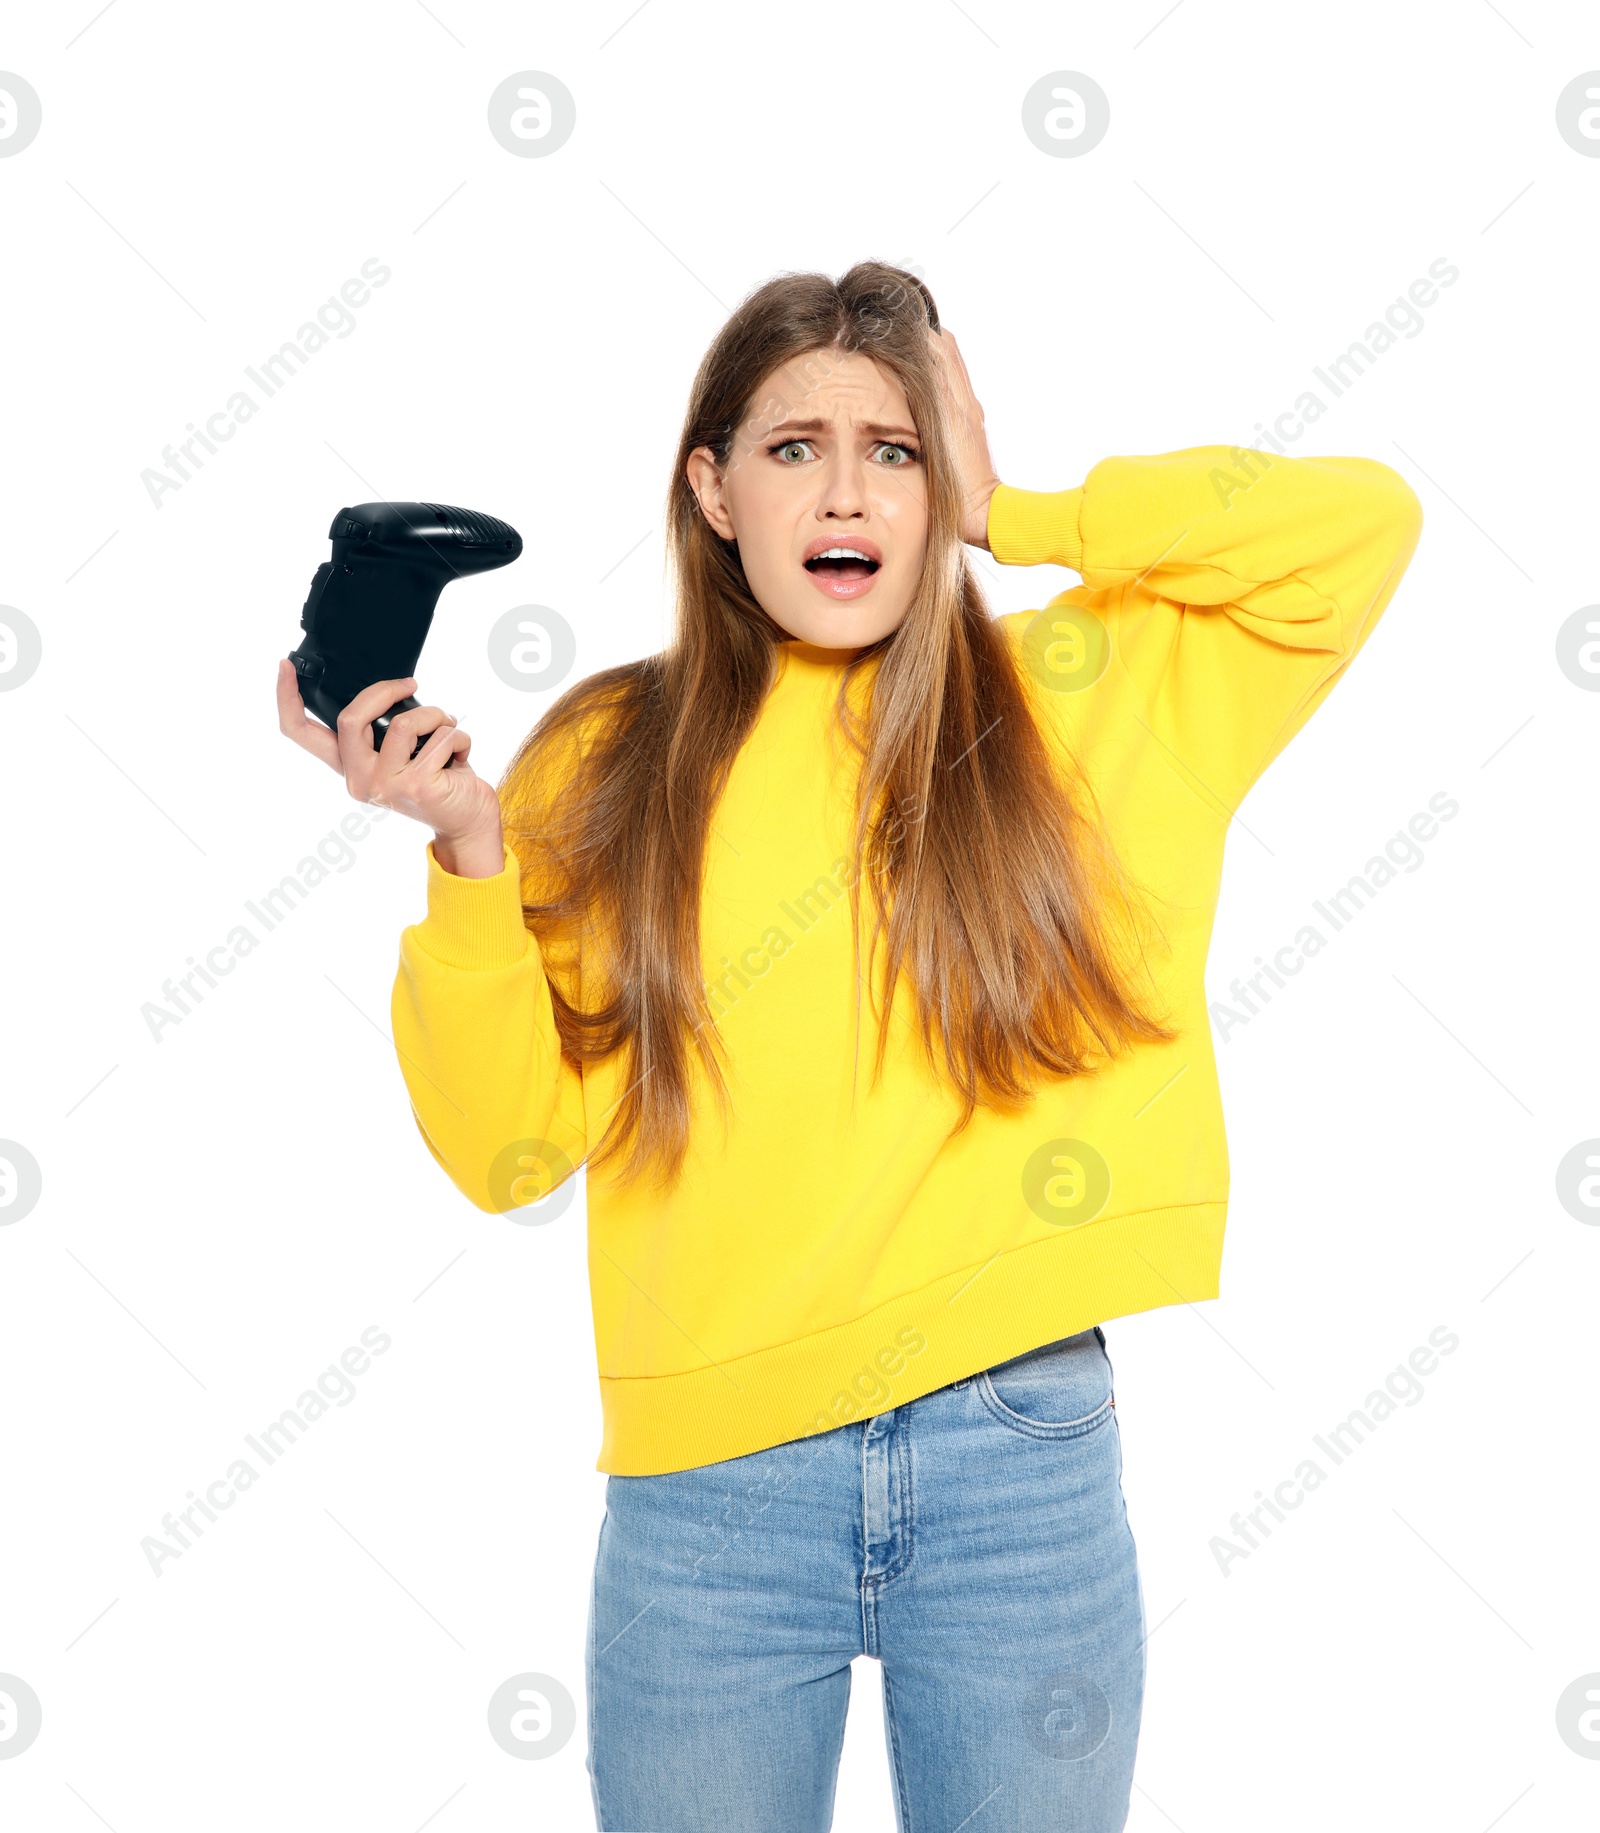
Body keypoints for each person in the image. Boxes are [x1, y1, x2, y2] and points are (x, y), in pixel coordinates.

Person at [277, 261, 1423, 1832]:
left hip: (1016, 1455)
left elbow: (1361, 524)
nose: (848, 489)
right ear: (714, 487)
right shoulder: (607, 761)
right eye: (793, 445)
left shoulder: (1082, 694)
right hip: (713, 1490)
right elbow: (509, 1151)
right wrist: (469, 852)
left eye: (893, 448)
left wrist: (1019, 510)